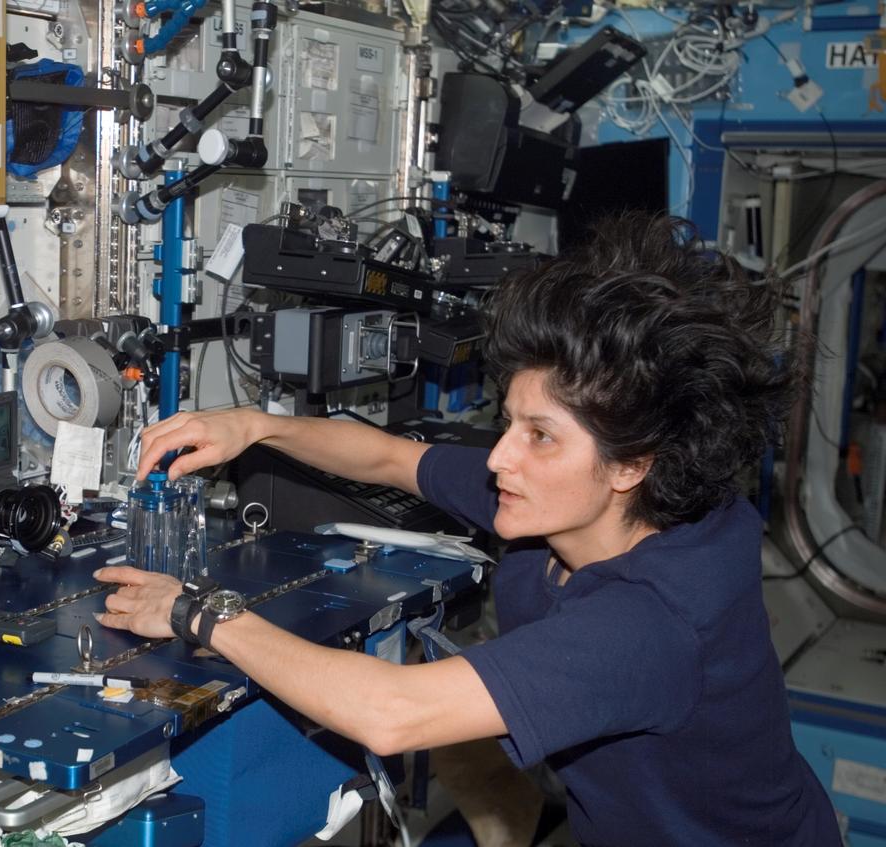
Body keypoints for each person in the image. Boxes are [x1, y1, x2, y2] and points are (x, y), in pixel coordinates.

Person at [93, 212, 841, 845]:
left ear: (631, 465)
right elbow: (391, 458)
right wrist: (252, 426)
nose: (502, 457)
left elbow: (389, 713)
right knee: (462, 738)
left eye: (540, 435)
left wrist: (196, 609)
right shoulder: (589, 498)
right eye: (509, 422)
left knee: (430, 711)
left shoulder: (648, 622)